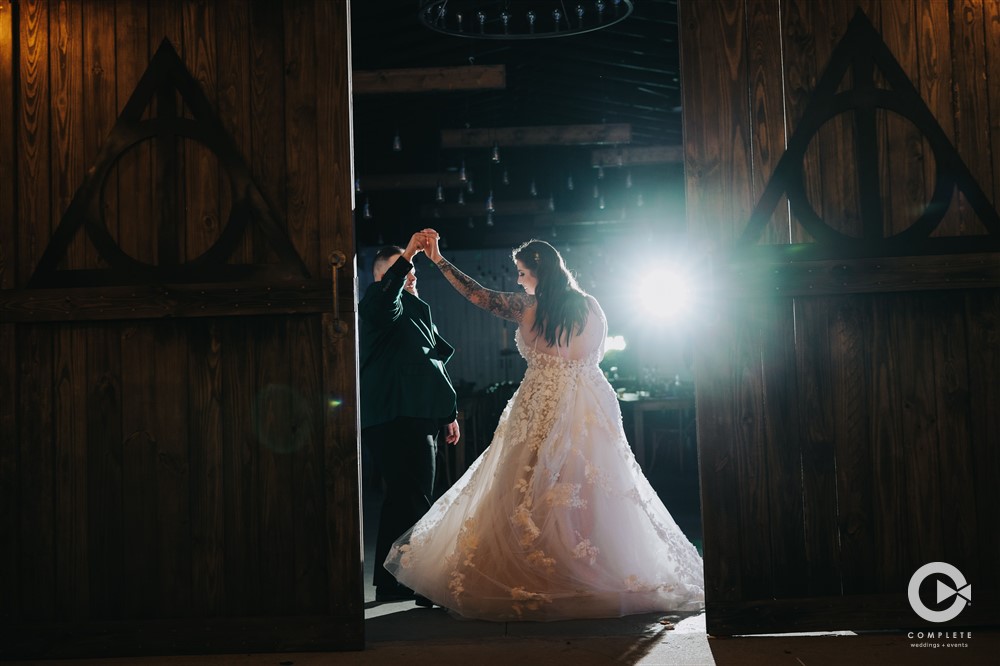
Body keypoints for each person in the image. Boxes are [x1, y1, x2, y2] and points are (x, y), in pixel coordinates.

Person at [384, 232, 705, 621]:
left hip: (540, 402)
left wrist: (438, 260)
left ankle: (541, 566)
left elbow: (478, 295)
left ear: (538, 272)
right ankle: (590, 563)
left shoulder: (527, 308)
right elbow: (595, 357)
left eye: (521, 272)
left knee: (527, 482)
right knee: (591, 483)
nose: (518, 280)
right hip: (589, 404)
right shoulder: (591, 307)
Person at [359, 234, 460, 604]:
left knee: (402, 499)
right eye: (402, 271)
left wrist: (448, 413)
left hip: (416, 413)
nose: (411, 275)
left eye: (413, 271)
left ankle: (391, 581)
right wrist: (409, 253)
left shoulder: (415, 310)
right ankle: (421, 582)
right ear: (382, 279)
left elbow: (431, 366)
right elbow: (388, 296)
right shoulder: (378, 302)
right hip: (395, 414)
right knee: (415, 498)